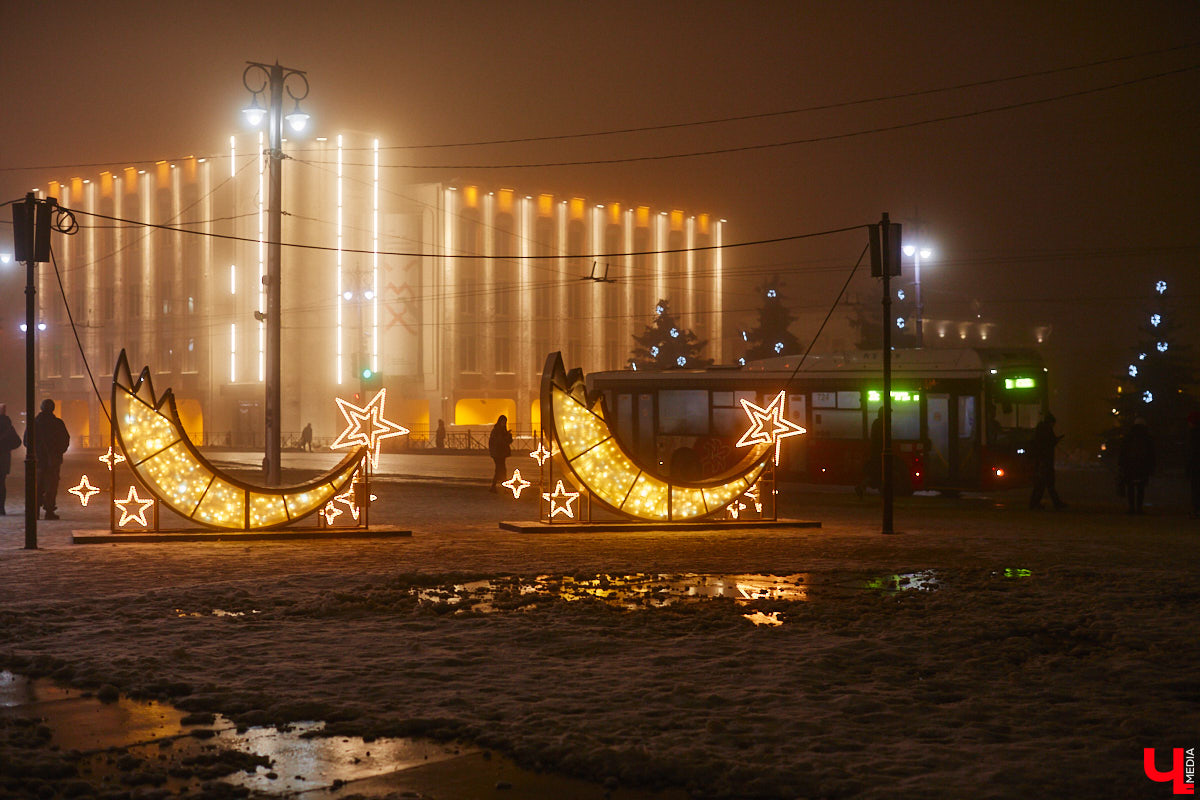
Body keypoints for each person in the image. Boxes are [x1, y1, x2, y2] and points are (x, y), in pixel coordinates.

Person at [25, 399, 70, 520]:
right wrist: (58, 452)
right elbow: (65, 440)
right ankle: (49, 510)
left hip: (38, 461)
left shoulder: (34, 423)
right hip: (52, 461)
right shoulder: (58, 423)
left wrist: (34, 452)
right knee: (51, 486)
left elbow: (26, 441)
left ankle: (35, 511)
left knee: (37, 486)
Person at [1028, 412, 1066, 510]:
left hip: (1042, 461)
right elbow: (1048, 444)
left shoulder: (1040, 431)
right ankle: (1051, 503)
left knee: (1044, 485)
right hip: (1045, 462)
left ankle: (1036, 503)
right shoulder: (1046, 431)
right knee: (1046, 484)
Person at [1118, 417, 1155, 515]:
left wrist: (1121, 464)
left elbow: (1123, 451)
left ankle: (1131, 508)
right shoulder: (1147, 436)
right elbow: (1151, 453)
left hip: (1130, 465)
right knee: (1140, 488)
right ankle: (1139, 508)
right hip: (1142, 465)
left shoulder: (1129, 436)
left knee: (1130, 487)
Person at [855, 407, 884, 499]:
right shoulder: (880, 423)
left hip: (876, 452)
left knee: (875, 474)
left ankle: (861, 487)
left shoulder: (876, 422)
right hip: (878, 453)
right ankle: (861, 487)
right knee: (877, 473)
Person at [0, 403, 22, 515]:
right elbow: (17, 442)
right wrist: (7, 447)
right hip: (3, 458)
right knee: (1, 483)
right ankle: (1, 508)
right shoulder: (8, 426)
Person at [487, 414, 512, 492]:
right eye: (503, 422)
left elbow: (507, 441)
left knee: (500, 470)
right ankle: (501, 487)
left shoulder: (501, 430)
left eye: (505, 422)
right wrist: (506, 436)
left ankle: (495, 486)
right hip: (497, 453)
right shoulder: (497, 430)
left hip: (500, 453)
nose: (504, 423)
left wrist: (508, 436)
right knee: (500, 469)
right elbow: (499, 441)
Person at [1185, 411, 1199, 518]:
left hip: (1195, 466)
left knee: (1195, 489)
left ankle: (1196, 510)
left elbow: (1191, 452)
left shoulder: (1193, 434)